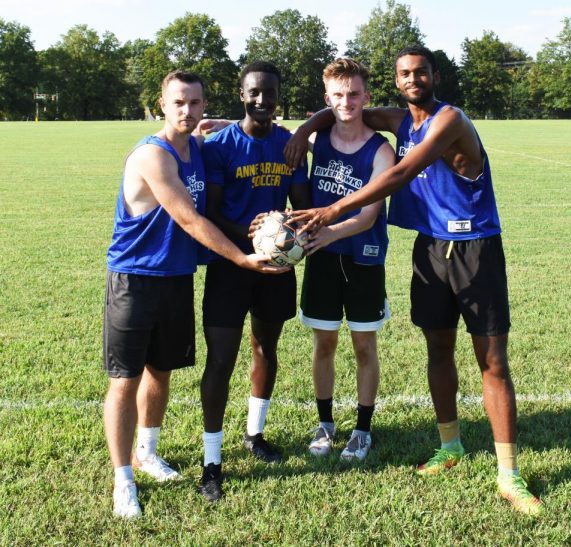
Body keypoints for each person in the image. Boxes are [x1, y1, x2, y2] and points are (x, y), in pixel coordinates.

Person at [283, 45, 543, 516]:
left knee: (492, 362)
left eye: (420, 72)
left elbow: (403, 171)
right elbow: (339, 107)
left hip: (475, 248)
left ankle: (509, 474)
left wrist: (332, 210)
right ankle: (451, 444)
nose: (412, 79)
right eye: (404, 73)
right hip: (429, 249)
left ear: (434, 75)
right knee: (437, 350)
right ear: (397, 79)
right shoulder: (400, 118)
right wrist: (303, 129)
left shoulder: (450, 120)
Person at [103, 71, 285, 518]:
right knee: (125, 381)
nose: (188, 111)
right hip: (135, 279)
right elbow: (189, 219)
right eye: (178, 103)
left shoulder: (199, 150)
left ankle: (147, 451)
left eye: (196, 103)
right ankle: (123, 477)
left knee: (160, 371)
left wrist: (221, 124)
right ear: (160, 105)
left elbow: (234, 129)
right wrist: (241, 259)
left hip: (177, 277)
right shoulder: (154, 156)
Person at [197, 61, 310, 502]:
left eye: (270, 93)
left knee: (267, 347)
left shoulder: (291, 145)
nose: (262, 100)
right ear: (241, 94)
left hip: (276, 269)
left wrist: (284, 226)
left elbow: (300, 203)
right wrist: (251, 237)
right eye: (254, 93)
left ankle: (255, 434)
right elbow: (212, 212)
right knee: (221, 360)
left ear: (279, 96)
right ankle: (212, 461)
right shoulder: (219, 146)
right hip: (231, 265)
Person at [298, 58, 396, 462]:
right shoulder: (317, 140)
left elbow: (368, 215)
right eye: (338, 95)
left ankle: (362, 429)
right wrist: (220, 127)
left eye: (354, 93)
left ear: (366, 96)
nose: (347, 101)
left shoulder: (381, 150)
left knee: (363, 345)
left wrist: (325, 232)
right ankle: (325, 423)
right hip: (322, 261)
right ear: (327, 99)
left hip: (362, 259)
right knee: (323, 343)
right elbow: (271, 137)